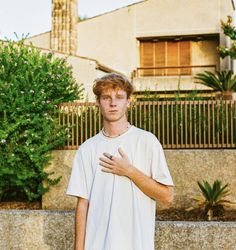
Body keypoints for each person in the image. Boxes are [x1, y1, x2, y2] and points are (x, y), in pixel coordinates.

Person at [66, 73, 174, 250]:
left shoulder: (147, 141)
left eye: (119, 97)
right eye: (106, 97)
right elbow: (83, 204)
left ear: (128, 101)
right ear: (98, 102)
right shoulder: (87, 148)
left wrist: (130, 171)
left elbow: (167, 197)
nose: (113, 103)